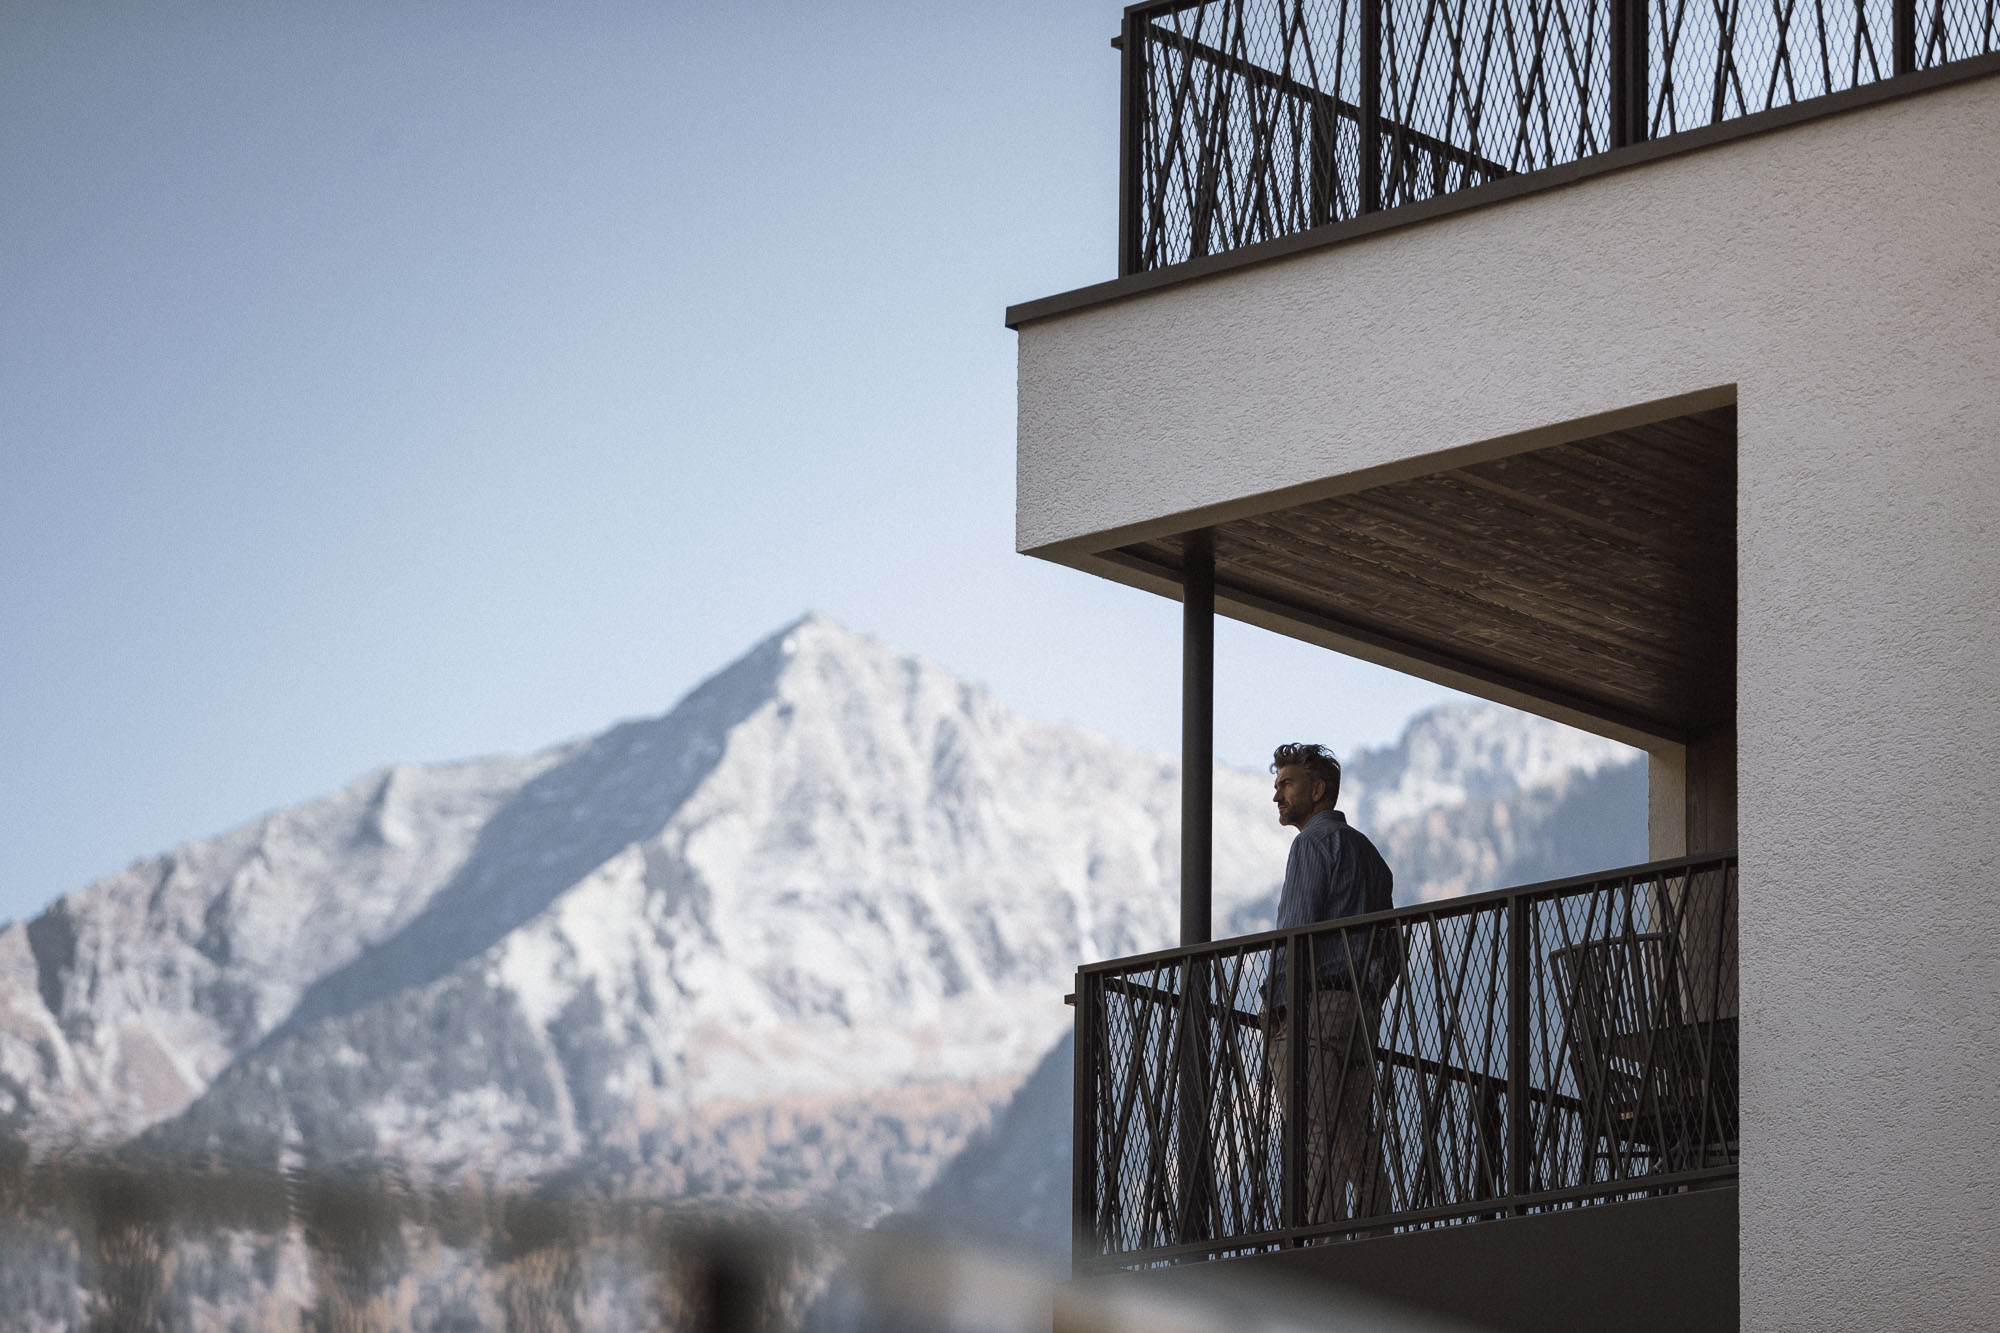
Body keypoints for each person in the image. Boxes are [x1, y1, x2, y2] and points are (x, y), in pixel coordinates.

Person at [1264, 742, 1397, 1226]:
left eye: (1287, 784)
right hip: (1360, 1011)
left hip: (1315, 1007)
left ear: (1317, 790)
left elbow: (1295, 935)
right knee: (1357, 1134)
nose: (1277, 795)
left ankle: (1322, 1242)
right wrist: (1369, 993)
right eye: (1277, 785)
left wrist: (1276, 1010)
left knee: (1311, 1128)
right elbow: (1392, 950)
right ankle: (1380, 1231)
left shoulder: (1311, 845)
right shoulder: (1371, 857)